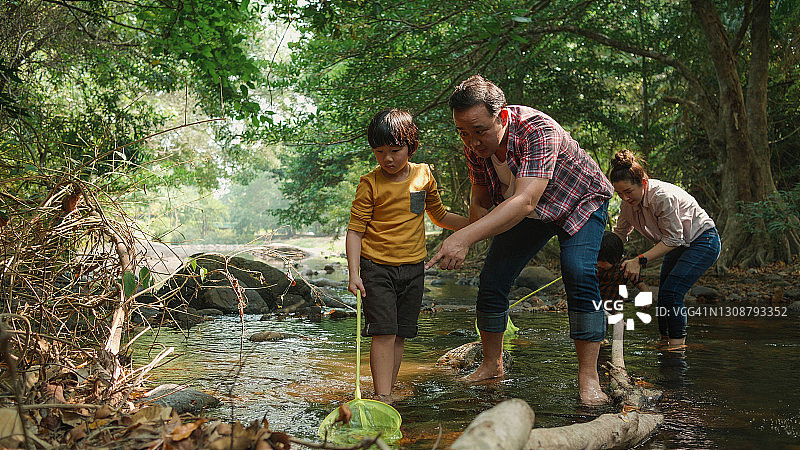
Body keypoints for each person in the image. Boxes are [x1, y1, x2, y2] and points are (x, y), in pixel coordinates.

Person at [425, 75, 613, 405]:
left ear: (502, 116)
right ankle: (491, 364)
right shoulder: (475, 147)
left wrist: (465, 237)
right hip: (530, 212)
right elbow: (481, 199)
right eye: (463, 133)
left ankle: (589, 380)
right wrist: (470, 231)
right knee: (493, 278)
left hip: (579, 200)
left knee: (579, 273)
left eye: (479, 130)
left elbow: (525, 199)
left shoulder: (537, 129)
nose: (472, 141)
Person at [346, 108, 469, 405]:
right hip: (376, 269)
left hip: (414, 268)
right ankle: (383, 395)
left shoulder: (423, 176)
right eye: (380, 151)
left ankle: (387, 388)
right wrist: (354, 273)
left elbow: (439, 216)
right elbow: (355, 231)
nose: (387, 158)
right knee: (384, 333)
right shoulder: (370, 184)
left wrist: (477, 225)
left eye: (395, 150)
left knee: (400, 334)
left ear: (411, 147)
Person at [609, 150, 720, 349]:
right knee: (664, 296)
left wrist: (639, 260)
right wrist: (603, 255)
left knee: (671, 293)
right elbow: (620, 235)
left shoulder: (661, 196)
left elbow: (674, 238)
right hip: (676, 244)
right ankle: (664, 342)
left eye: (628, 192)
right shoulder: (627, 207)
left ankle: (677, 348)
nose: (625, 198)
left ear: (643, 182)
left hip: (702, 240)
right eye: (620, 194)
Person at [597, 231, 650, 303]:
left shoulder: (624, 267)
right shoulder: (591, 266)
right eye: (597, 259)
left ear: (615, 258)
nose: (599, 264)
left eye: (603, 261)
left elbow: (643, 286)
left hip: (610, 309)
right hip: (591, 306)